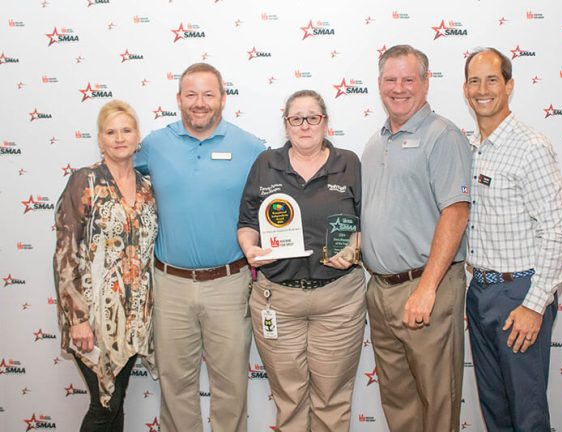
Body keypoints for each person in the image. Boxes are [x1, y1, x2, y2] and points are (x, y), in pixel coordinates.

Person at [134, 63, 265, 432]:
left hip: (229, 282)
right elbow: (117, 174)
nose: (199, 103)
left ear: (223, 99)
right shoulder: (155, 145)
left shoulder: (250, 147)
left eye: (208, 94)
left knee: (231, 387)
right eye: (191, 94)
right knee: (175, 386)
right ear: (178, 99)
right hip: (170, 284)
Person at [238, 89, 366, 432]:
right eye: (296, 118)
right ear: (286, 125)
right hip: (277, 299)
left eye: (313, 117)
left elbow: (368, 223)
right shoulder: (266, 164)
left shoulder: (349, 163)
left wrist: (355, 247)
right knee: (289, 399)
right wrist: (249, 248)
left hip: (338, 300)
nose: (305, 125)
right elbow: (248, 222)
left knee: (332, 399)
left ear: (325, 122)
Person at [361, 45, 472, 432]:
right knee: (399, 402)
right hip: (380, 291)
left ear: (426, 83)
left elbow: (456, 212)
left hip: (427, 287)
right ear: (379, 84)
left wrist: (426, 289)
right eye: (391, 79)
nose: (399, 88)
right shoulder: (376, 142)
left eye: (409, 79)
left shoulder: (442, 136)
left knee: (436, 402)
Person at [463, 47, 562, 431]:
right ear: (465, 88)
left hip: (519, 295)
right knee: (495, 408)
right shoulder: (471, 148)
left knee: (527, 414)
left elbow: (556, 231)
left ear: (509, 85)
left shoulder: (531, 146)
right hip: (479, 293)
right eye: (474, 80)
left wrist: (534, 305)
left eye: (492, 79)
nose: (482, 89)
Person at [53, 99, 157, 431]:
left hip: (133, 317)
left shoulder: (147, 188)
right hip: (93, 316)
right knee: (102, 406)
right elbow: (66, 254)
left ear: (137, 135)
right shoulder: (85, 182)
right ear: (100, 139)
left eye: (126, 130)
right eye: (110, 132)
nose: (119, 138)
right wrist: (78, 320)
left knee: (116, 403)